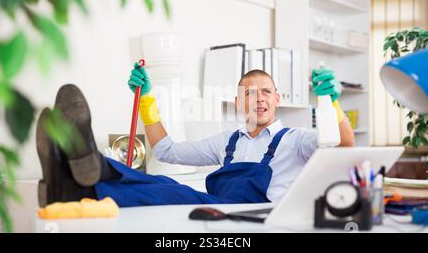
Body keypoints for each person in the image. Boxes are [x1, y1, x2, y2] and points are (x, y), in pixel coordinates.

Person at [36, 63, 354, 207]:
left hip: (260, 218)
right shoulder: (226, 141)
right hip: (220, 209)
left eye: (266, 92)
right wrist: (147, 99)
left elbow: (341, 144)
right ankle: (69, 173)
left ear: (277, 99)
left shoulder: (296, 139)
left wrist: (332, 103)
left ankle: (84, 168)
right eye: (251, 93)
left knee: (172, 194)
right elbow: (165, 149)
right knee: (163, 184)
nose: (259, 99)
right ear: (239, 101)